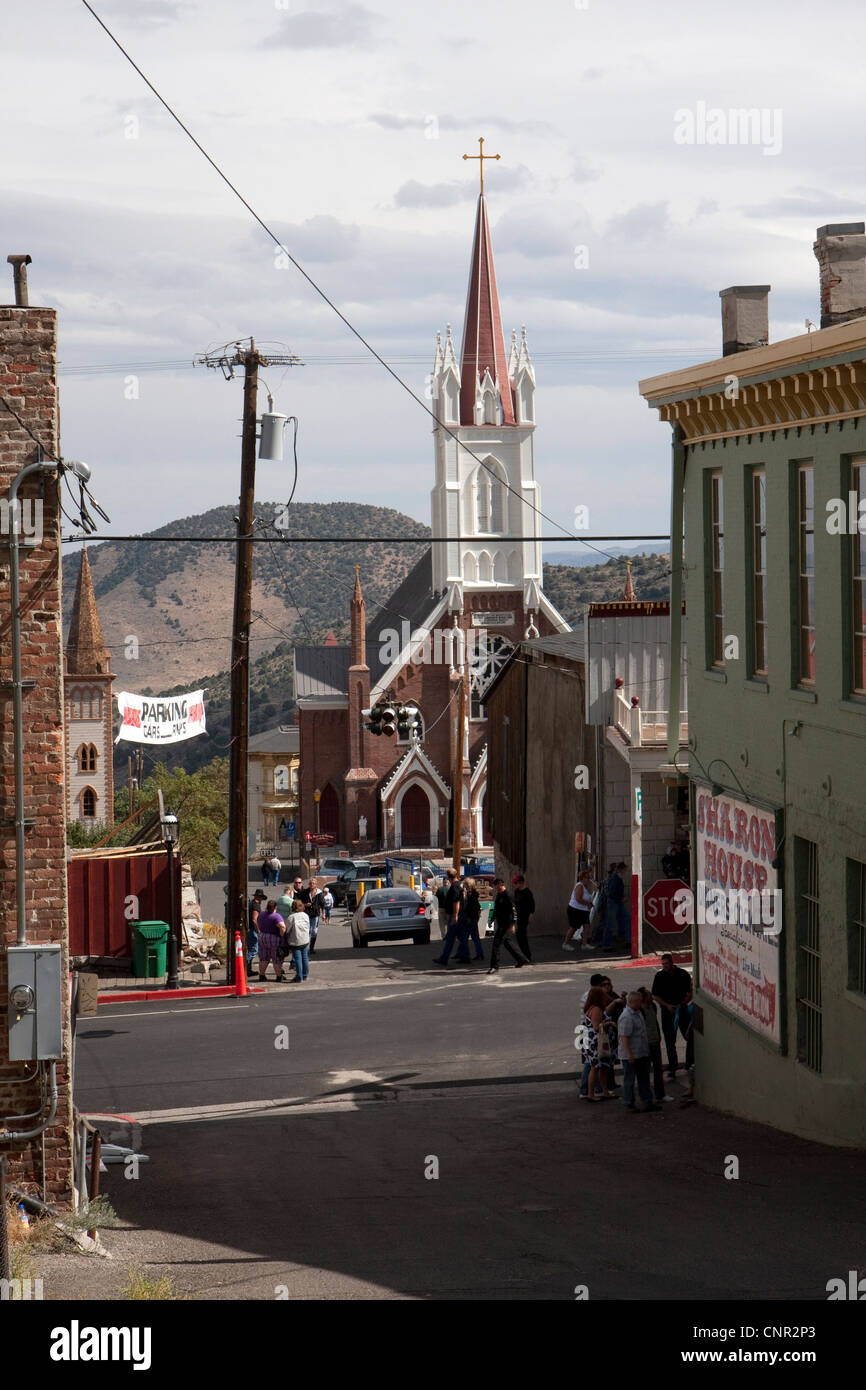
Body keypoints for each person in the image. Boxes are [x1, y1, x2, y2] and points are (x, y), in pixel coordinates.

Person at [651, 953, 694, 1076]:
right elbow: (655, 995)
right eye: (663, 964)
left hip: (682, 1009)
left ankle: (689, 1064)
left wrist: (682, 1003)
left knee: (689, 1037)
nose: (665, 966)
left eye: (666, 963)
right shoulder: (659, 976)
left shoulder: (683, 974)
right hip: (667, 1011)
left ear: (671, 962)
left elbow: (690, 992)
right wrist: (667, 1005)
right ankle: (672, 1067)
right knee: (670, 1041)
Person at [617, 992, 661, 1112]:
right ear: (633, 1002)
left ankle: (647, 1101)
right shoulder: (627, 1016)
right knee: (630, 1080)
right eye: (639, 1001)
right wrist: (629, 1054)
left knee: (644, 1078)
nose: (641, 1003)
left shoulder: (637, 1013)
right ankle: (629, 1103)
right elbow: (624, 1037)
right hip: (632, 1053)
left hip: (641, 1052)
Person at [486, 878, 529, 973]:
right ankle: (521, 959)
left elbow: (514, 910)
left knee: (496, 944)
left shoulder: (507, 895)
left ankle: (494, 966)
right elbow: (496, 909)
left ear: (500, 885)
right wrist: (492, 919)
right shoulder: (499, 895)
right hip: (501, 923)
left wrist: (512, 924)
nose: (494, 887)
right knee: (507, 942)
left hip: (506, 924)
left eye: (496, 885)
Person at [579, 986, 613, 1101]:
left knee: (601, 1067)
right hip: (596, 1041)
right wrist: (609, 1024)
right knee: (595, 1067)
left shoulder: (590, 1007)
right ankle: (591, 1094)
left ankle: (604, 1091)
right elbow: (596, 1026)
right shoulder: (597, 1009)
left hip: (591, 1040)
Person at [638, 986, 670, 1101]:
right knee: (645, 1070)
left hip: (655, 1041)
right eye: (648, 995)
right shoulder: (640, 1010)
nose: (651, 996)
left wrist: (658, 1033)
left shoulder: (652, 1006)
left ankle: (660, 1094)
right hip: (646, 1043)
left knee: (658, 1068)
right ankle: (647, 1096)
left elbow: (655, 1021)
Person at [433, 869, 465, 965]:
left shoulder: (455, 886)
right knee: (461, 937)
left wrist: (455, 916)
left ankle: (444, 958)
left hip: (455, 915)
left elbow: (456, 902)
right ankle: (465, 955)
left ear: (448, 877)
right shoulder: (458, 885)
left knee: (450, 938)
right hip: (458, 915)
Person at [454, 877, 484, 963]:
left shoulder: (471, 895)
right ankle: (478, 953)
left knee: (468, 937)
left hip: (470, 918)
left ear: (469, 885)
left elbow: (471, 908)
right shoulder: (472, 894)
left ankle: (475, 954)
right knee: (472, 937)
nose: (464, 885)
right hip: (472, 917)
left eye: (465, 884)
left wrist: (469, 917)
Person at [256, 899, 286, 982]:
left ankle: (262, 975)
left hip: (262, 936)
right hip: (273, 937)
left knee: (263, 957)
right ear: (275, 907)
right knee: (276, 958)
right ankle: (279, 976)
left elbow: (258, 921)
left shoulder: (261, 914)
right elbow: (282, 927)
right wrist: (281, 935)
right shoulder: (276, 916)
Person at [564, 869, 594, 951]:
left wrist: (589, 903)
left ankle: (584, 944)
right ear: (582, 878)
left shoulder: (585, 886)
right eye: (587, 877)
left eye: (589, 877)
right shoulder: (580, 886)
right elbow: (578, 899)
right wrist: (588, 904)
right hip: (575, 910)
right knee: (574, 927)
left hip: (583, 911)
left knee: (587, 926)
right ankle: (566, 943)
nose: (588, 879)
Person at [603, 862, 630, 950]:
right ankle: (607, 945)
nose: (626, 871)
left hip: (616, 902)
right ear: (621, 869)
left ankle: (625, 939)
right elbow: (611, 893)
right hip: (614, 902)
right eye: (625, 869)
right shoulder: (616, 879)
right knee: (611, 923)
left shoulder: (616, 877)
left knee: (625, 919)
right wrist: (621, 899)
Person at [285, 897, 311, 982]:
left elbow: (287, 929)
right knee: (305, 958)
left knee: (298, 959)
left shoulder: (291, 917)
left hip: (296, 940)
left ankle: (299, 976)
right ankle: (305, 974)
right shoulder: (305, 915)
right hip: (305, 939)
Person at [513, 875, 535, 962]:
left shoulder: (527, 892)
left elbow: (532, 905)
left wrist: (531, 915)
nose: (516, 885)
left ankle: (527, 955)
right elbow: (516, 903)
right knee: (519, 936)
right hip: (518, 916)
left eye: (517, 883)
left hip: (525, 916)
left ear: (521, 883)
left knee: (522, 936)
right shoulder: (516, 891)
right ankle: (524, 954)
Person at [246, 889, 266, 975]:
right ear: (259, 897)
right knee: (254, 950)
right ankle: (244, 966)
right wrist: (258, 931)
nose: (261, 900)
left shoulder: (251, 904)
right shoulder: (256, 906)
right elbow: (254, 920)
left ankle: (248, 970)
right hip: (252, 930)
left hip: (250, 929)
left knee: (251, 949)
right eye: (261, 898)